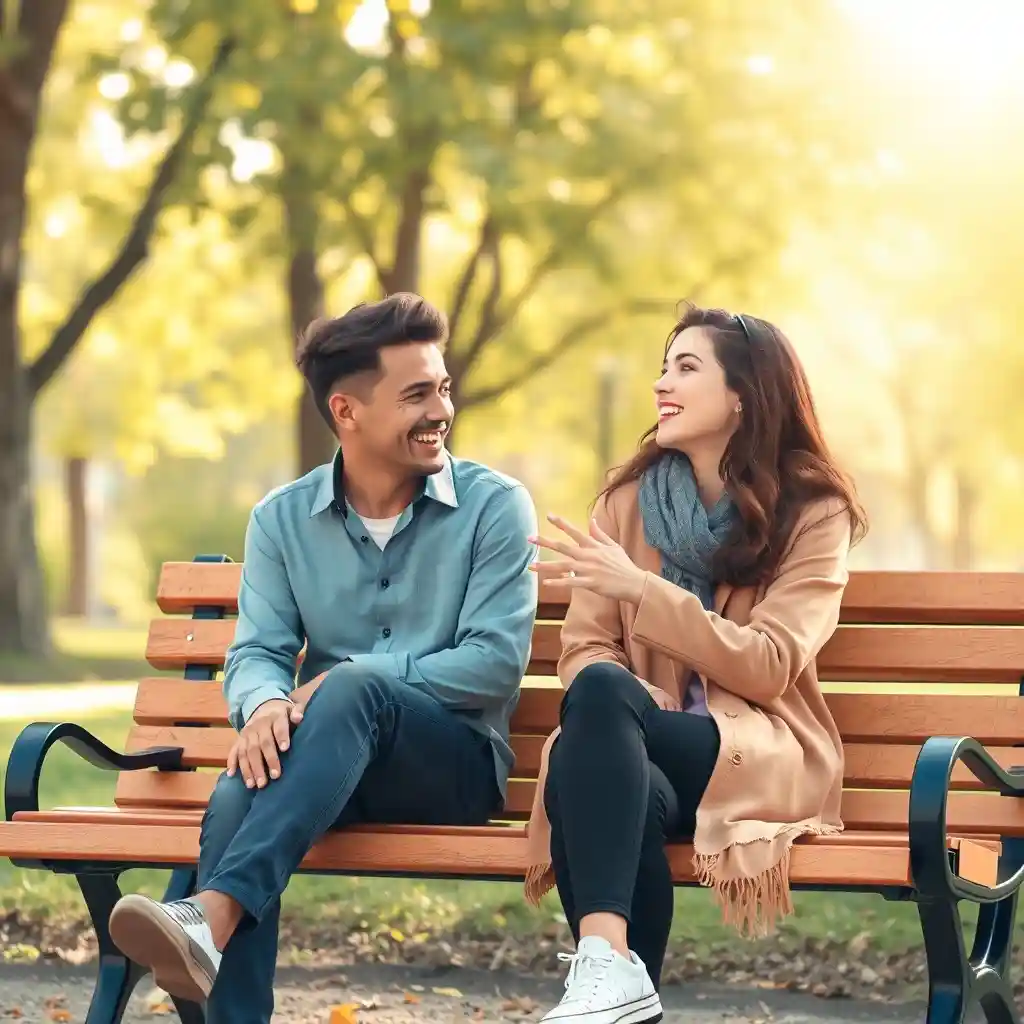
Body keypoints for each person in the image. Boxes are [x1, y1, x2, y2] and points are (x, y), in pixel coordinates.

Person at [107, 293, 538, 1023]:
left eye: (443, 388)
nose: (442, 409)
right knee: (244, 786)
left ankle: (208, 916)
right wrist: (265, 705)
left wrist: (352, 678)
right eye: (416, 394)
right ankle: (222, 977)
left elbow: (494, 664)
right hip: (324, 768)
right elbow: (257, 651)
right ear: (347, 412)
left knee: (346, 693)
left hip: (453, 765)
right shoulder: (282, 518)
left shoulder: (494, 507)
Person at [524, 303, 866, 1024]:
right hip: (637, 750)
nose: (660, 384)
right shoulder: (625, 501)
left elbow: (771, 664)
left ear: (743, 392)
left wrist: (641, 594)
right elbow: (585, 650)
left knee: (595, 734)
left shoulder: (813, 510)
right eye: (661, 367)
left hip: (752, 748)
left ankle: (609, 973)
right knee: (605, 740)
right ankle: (612, 970)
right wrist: (630, 697)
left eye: (685, 367)